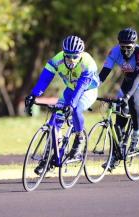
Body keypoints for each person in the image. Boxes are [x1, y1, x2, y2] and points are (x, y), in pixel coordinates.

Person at [25, 35, 100, 175]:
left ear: (80, 54)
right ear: (64, 53)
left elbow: (81, 88)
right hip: (70, 90)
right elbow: (45, 79)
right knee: (54, 123)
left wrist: (71, 105)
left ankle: (79, 137)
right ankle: (49, 159)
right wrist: (33, 95)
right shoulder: (57, 60)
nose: (71, 59)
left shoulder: (88, 63)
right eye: (68, 56)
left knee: (76, 109)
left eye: (75, 56)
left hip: (87, 91)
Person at [99, 27, 139, 170]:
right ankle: (117, 153)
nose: (125, 50)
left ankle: (137, 132)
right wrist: (92, 89)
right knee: (117, 122)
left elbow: (137, 76)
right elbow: (103, 74)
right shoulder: (114, 51)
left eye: (128, 47)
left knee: (133, 100)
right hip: (128, 81)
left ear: (134, 45)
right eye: (122, 47)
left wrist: (128, 95)